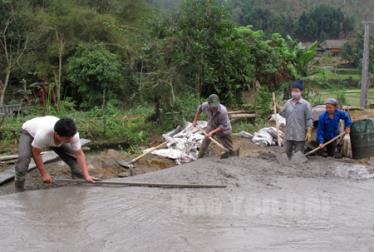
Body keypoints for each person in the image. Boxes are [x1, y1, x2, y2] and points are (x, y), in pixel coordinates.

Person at [14, 116, 98, 191]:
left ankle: (79, 181)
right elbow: (36, 153)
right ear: (57, 134)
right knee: (23, 158)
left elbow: (79, 154)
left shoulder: (72, 134)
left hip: (52, 136)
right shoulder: (43, 134)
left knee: (73, 157)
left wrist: (86, 175)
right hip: (29, 132)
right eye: (67, 139)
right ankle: (19, 187)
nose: (70, 141)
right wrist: (44, 174)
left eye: (71, 138)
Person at [192, 94, 236, 158]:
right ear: (209, 104)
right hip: (212, 125)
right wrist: (195, 120)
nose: (215, 108)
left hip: (224, 129)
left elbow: (223, 126)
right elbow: (199, 109)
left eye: (216, 106)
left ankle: (233, 157)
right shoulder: (205, 105)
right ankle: (199, 157)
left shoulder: (223, 111)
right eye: (213, 107)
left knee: (228, 146)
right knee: (205, 141)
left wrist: (212, 132)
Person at [280, 80, 313, 159]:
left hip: (300, 135)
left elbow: (309, 119)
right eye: (293, 90)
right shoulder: (288, 103)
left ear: (301, 91)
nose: (294, 92)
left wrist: (309, 132)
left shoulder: (306, 105)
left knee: (298, 156)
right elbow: (283, 114)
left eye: (296, 91)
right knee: (286, 156)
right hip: (289, 134)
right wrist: (278, 108)